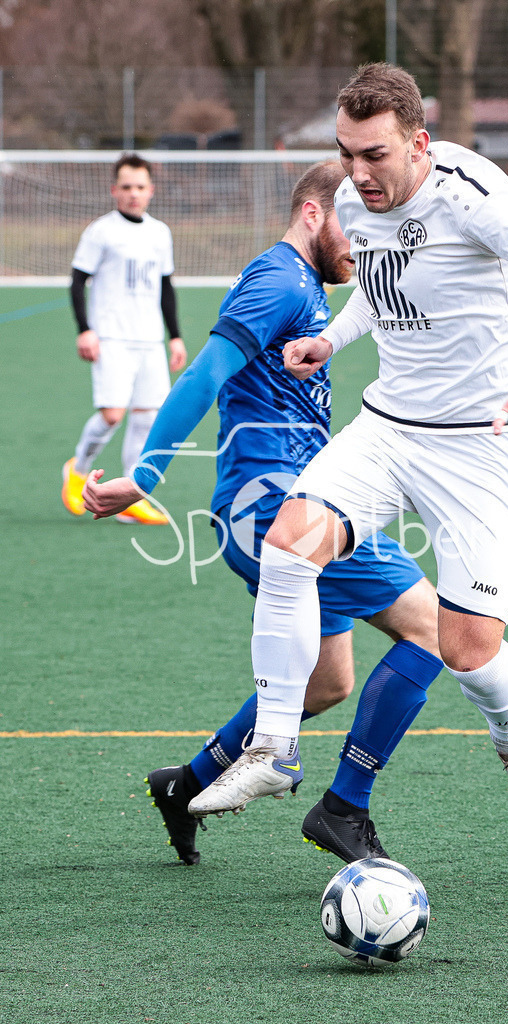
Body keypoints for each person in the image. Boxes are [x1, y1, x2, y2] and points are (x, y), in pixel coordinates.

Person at [167, 62, 508, 843]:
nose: (357, 174)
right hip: (389, 427)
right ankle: (273, 746)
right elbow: (379, 284)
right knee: (290, 542)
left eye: (374, 155)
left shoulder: (472, 192)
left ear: (418, 143)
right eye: (346, 153)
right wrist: (333, 336)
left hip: (482, 445)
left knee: (468, 651)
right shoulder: (348, 200)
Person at [83, 160, 444, 865]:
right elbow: (205, 373)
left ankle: (185, 782)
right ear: (314, 212)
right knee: (436, 630)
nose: (361, 242)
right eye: (353, 225)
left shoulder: (309, 286)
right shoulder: (279, 278)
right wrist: (145, 476)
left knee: (327, 681)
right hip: (272, 504)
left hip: (291, 502)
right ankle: (345, 807)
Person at [61, 153, 187, 526]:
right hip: (111, 336)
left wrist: (175, 337)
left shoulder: (159, 232)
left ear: (151, 190)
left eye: (141, 187)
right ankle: (78, 468)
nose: (134, 193)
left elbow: (166, 287)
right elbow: (76, 281)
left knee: (147, 417)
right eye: (127, 187)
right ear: (115, 190)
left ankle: (130, 496)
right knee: (112, 415)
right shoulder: (101, 231)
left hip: (149, 339)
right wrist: (85, 329)